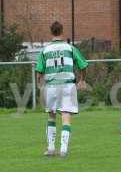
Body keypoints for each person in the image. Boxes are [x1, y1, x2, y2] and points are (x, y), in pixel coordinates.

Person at [36, 22, 88, 158]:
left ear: (51, 32)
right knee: (66, 117)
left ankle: (51, 149)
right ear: (62, 31)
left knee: (51, 116)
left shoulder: (45, 50)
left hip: (51, 86)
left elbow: (39, 72)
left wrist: (40, 84)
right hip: (67, 85)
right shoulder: (70, 48)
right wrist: (82, 79)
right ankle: (63, 150)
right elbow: (83, 65)